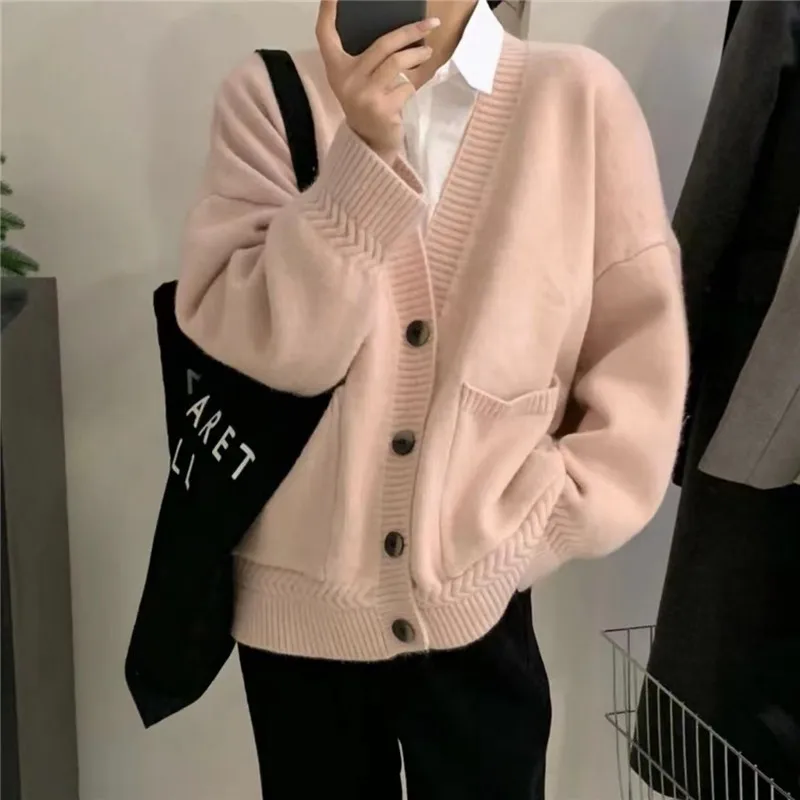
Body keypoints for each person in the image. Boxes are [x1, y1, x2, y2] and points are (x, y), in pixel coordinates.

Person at [175, 0, 689, 797]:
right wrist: (362, 156)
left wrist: (542, 522)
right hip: (297, 624)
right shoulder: (267, 98)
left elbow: (638, 355)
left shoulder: (577, 98)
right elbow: (277, 354)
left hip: (483, 606)